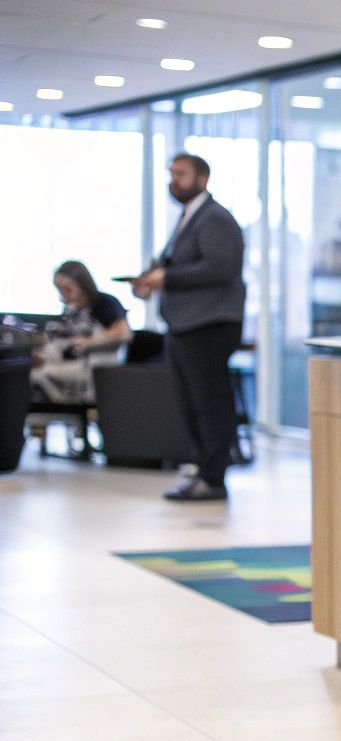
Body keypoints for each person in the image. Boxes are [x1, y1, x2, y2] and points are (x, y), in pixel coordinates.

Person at [132, 152, 245, 501]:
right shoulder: (189, 218)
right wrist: (151, 279)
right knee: (191, 403)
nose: (173, 180)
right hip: (184, 326)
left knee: (210, 404)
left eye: (180, 174)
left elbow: (218, 268)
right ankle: (201, 471)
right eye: (171, 173)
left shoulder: (215, 218)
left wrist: (166, 277)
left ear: (202, 178)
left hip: (208, 325)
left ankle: (213, 478)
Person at [31, 261, 131, 405]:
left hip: (94, 371)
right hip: (64, 365)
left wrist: (88, 342)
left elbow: (123, 333)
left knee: (34, 375)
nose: (62, 296)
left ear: (81, 284)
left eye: (66, 289)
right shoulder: (70, 311)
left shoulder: (104, 303)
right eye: (59, 289)